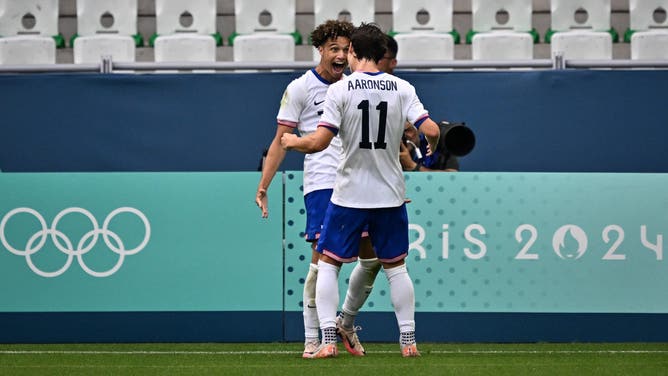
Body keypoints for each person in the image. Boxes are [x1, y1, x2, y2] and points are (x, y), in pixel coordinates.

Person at [281, 22, 440, 358]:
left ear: (353, 51)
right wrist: (429, 146)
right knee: (396, 268)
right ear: (381, 55)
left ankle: (327, 340)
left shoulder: (340, 90)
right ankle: (408, 341)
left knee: (328, 264)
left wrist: (294, 142)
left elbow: (320, 142)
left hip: (349, 194)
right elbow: (431, 128)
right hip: (390, 195)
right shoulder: (401, 87)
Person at [254, 20, 377, 358]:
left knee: (374, 259)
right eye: (333, 49)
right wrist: (264, 185)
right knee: (322, 261)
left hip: (362, 181)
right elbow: (280, 141)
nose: (339, 55)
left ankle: (346, 322)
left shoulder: (358, 85)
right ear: (320, 50)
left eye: (345, 49)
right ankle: (314, 337)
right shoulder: (300, 88)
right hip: (323, 182)